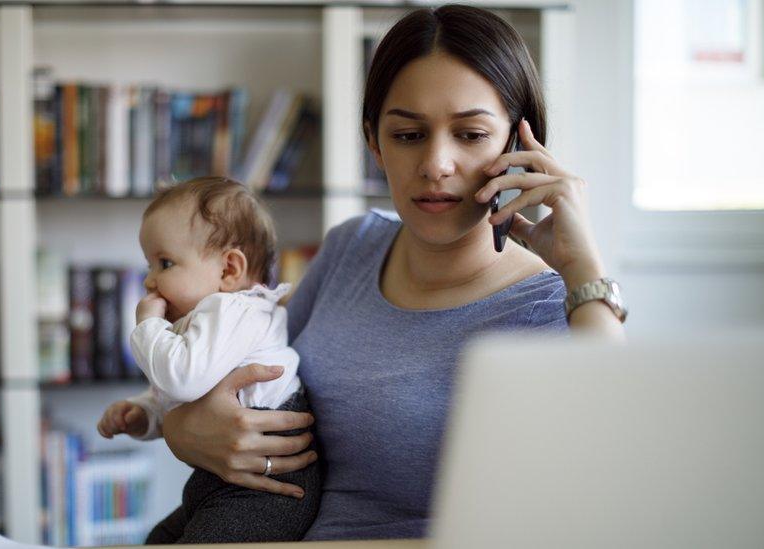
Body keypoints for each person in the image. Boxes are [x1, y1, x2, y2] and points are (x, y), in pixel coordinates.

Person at [160, 4, 627, 541]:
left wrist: (582, 267)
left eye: (470, 135)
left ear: (519, 146)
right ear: (374, 143)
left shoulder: (554, 306)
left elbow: (610, 471)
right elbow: (238, 362)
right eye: (409, 135)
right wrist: (180, 427)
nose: (436, 164)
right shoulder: (352, 247)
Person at [96, 177, 321, 543]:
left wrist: (149, 325)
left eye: (165, 263)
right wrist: (144, 413)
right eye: (150, 265)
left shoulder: (233, 309)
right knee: (159, 538)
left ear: (229, 270)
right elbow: (183, 396)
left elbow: (182, 379)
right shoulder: (210, 317)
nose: (150, 281)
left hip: (265, 491)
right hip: (222, 481)